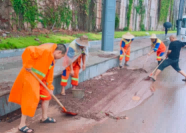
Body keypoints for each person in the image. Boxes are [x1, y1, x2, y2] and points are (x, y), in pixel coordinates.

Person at [8, 43, 66, 133]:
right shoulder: (45, 50)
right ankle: (22, 125)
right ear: (58, 52)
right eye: (61, 56)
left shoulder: (52, 60)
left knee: (47, 96)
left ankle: (44, 118)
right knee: (30, 99)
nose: (59, 58)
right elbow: (28, 49)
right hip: (30, 76)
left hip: (40, 79)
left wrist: (50, 87)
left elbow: (49, 75)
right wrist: (28, 65)